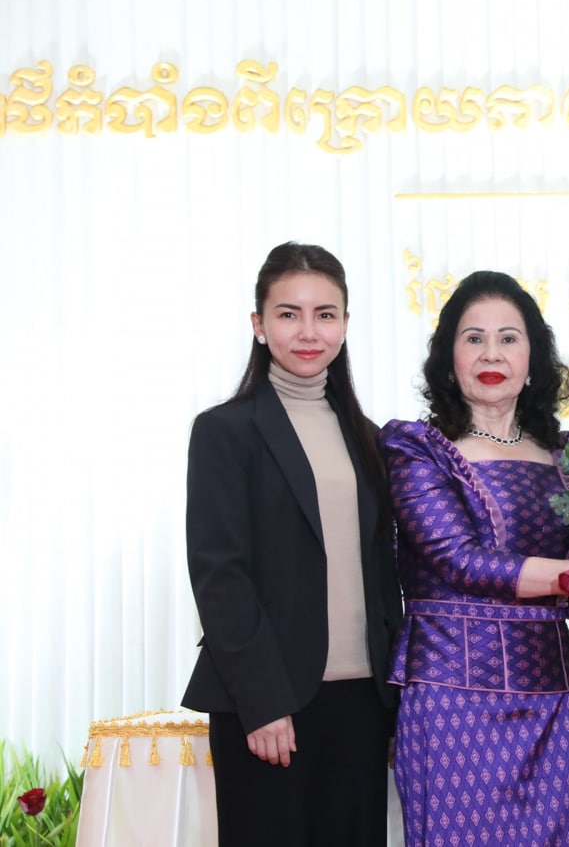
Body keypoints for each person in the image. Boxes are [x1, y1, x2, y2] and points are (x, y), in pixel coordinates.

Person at [380, 270, 569, 847]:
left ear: (534, 359)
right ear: (448, 359)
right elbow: (460, 562)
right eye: (474, 338)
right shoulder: (416, 447)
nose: (492, 353)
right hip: (450, 694)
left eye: (509, 338)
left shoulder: (568, 456)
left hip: (549, 692)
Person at [182, 242, 402, 846]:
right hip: (270, 704)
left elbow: (385, 578)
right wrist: (262, 702)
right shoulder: (225, 431)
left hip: (363, 703)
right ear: (259, 324)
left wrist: (393, 704)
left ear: (345, 324)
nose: (309, 331)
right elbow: (220, 576)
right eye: (288, 314)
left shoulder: (372, 439)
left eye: (325, 314)